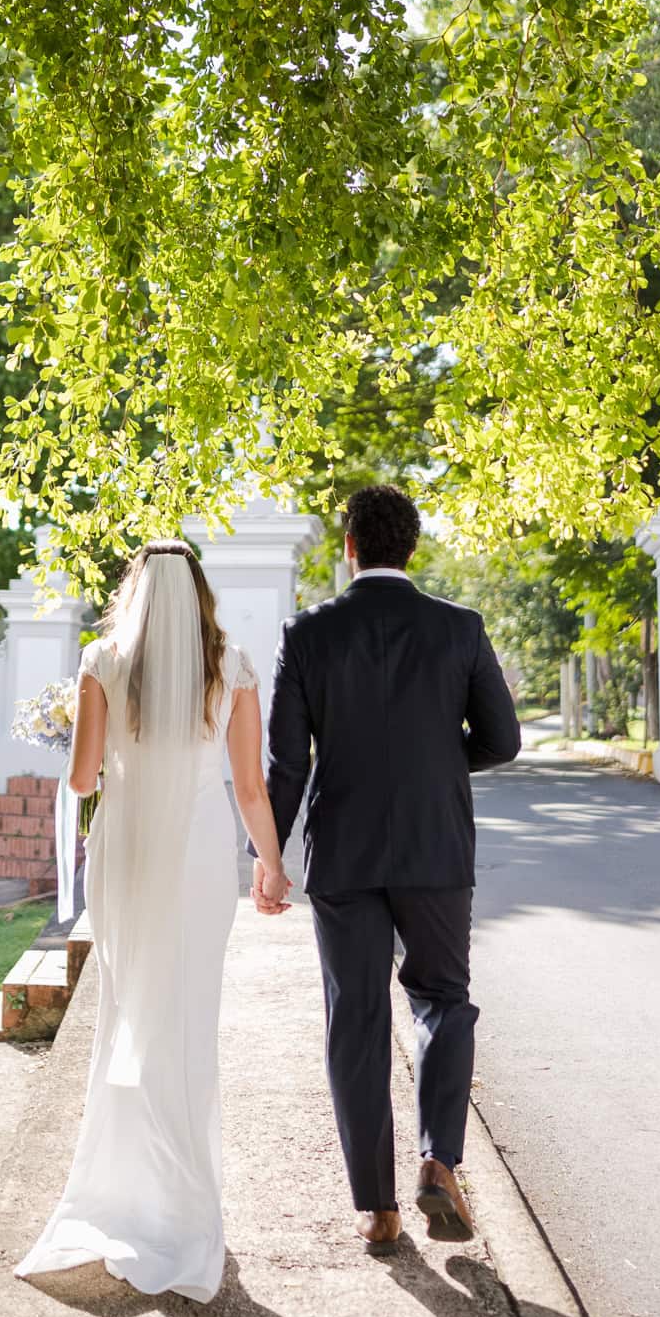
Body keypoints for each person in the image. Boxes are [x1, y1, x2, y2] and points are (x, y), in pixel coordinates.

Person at [15, 538, 290, 1304]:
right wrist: (270, 864)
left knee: (128, 1013)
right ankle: (187, 1207)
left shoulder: (103, 661)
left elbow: (81, 777)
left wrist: (81, 727)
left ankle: (124, 1192)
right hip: (201, 859)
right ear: (197, 593)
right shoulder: (230, 667)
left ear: (134, 592)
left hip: (129, 850)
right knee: (189, 1017)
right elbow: (249, 786)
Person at [256, 484, 519, 1253]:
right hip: (437, 847)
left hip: (343, 852)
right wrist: (441, 762)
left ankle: (377, 1209)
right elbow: (501, 741)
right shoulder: (459, 629)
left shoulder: (306, 633)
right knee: (443, 1000)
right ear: (412, 547)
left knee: (358, 1020)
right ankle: (439, 1161)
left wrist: (268, 860)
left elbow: (284, 763)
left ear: (349, 548)